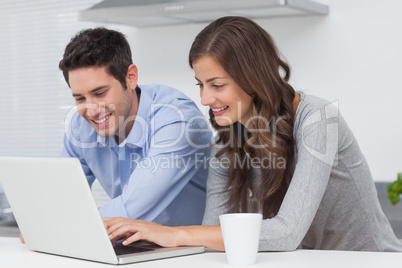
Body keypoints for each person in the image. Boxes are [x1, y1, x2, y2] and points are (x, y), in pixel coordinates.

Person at [103, 16, 402, 251]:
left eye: (217, 85)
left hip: (368, 261)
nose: (205, 99)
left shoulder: (319, 120)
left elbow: (286, 232)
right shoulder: (227, 143)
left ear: (253, 77)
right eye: (200, 85)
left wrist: (175, 234)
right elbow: (213, 234)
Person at [58, 27, 212, 227]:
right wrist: (46, 221)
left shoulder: (176, 119)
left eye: (100, 93)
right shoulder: (81, 126)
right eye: (80, 98)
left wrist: (57, 228)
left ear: (130, 77)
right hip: (136, 246)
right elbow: (62, 199)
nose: (92, 110)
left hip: (199, 252)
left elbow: (131, 210)